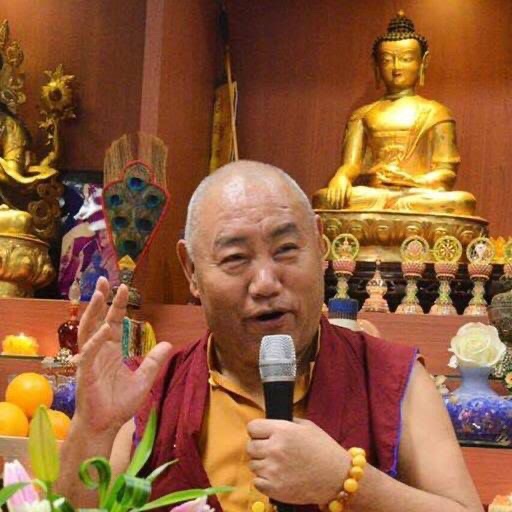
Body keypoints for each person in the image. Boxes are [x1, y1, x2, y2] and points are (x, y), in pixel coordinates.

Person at [58, 161, 483, 512]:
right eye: (235, 257)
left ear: (320, 245)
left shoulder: (391, 377)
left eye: (286, 250)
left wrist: (347, 482)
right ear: (191, 271)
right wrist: (93, 429)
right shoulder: (157, 391)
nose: (265, 282)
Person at [312, 12, 476, 216]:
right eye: (387, 60)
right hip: (374, 194)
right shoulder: (362, 114)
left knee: (462, 201)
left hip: (417, 193)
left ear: (423, 62)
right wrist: (341, 177)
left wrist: (413, 181)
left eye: (406, 59)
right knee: (323, 198)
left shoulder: (436, 112)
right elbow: (351, 164)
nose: (396, 68)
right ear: (376, 65)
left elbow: (446, 172)